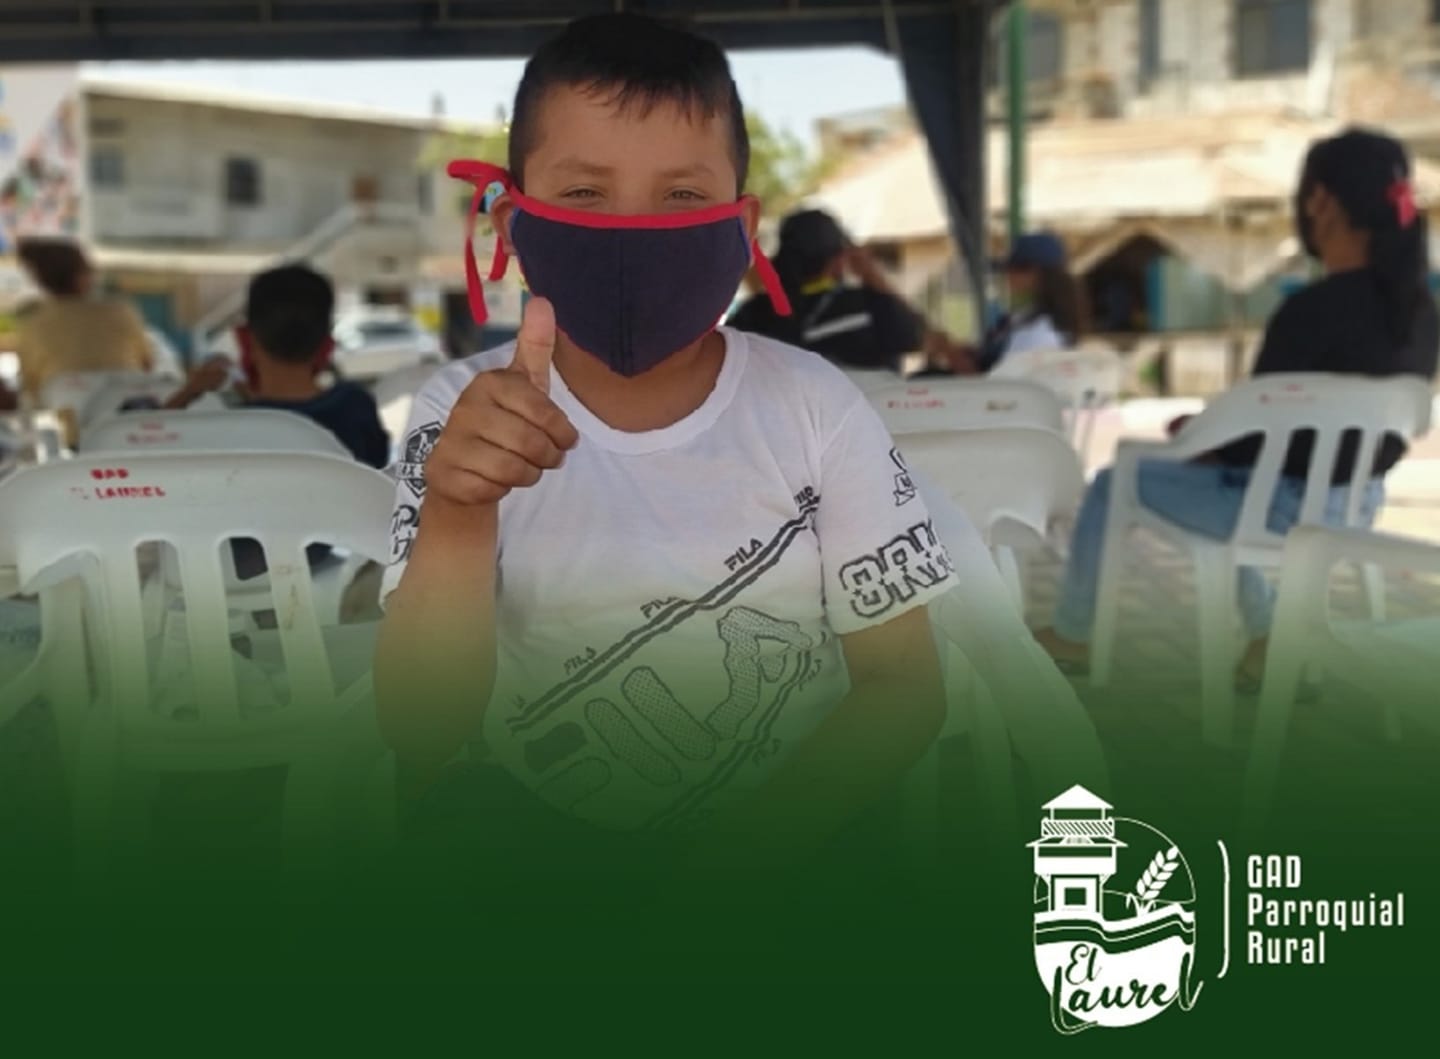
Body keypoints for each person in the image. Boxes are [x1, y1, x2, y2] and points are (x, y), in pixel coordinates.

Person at [376, 13, 952, 890]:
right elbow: (422, 727)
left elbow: (904, 686)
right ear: (513, 218)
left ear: (743, 224)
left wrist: (734, 864)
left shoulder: (815, 405)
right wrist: (457, 509)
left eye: (681, 196)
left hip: (788, 836)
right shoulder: (463, 415)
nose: (631, 233)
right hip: (546, 847)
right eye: (584, 193)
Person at [1033, 128, 1439, 689]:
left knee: (1115, 481)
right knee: (1242, 489)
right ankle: (1270, 641)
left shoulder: (1307, 312)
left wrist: (1200, 436)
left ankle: (1074, 634)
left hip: (1277, 508)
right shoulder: (1422, 315)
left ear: (1321, 202)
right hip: (1357, 505)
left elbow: (1254, 443)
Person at [167, 263, 390, 578]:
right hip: (326, 580)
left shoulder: (215, 424)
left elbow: (137, 444)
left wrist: (188, 393)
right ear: (327, 343)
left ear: (244, 339)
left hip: (229, 584)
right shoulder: (355, 407)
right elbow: (375, 480)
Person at [727, 208, 937, 372]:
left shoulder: (752, 315)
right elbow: (917, 338)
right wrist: (873, 276)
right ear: (840, 259)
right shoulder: (868, 307)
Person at [10, 238, 153, 400]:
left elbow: (31, 386)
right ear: (82, 274)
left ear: (40, 279)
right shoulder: (121, 311)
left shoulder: (33, 323)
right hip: (125, 409)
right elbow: (146, 364)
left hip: (65, 410)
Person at [955, 230, 1089, 374]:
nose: (1006, 278)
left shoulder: (1039, 333)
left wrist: (950, 353)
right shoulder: (1023, 321)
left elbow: (998, 386)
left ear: (1035, 276)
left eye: (1013, 271)